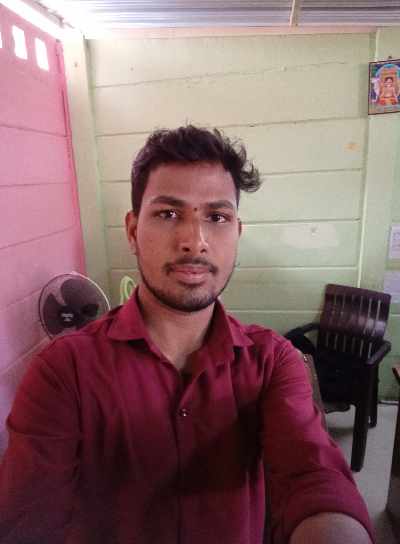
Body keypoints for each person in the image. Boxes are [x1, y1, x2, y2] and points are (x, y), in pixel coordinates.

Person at [0, 126, 374, 544]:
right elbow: (29, 518)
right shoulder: (63, 371)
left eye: (217, 217)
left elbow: (312, 474)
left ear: (237, 234)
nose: (194, 242)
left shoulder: (273, 361)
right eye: (168, 214)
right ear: (132, 231)